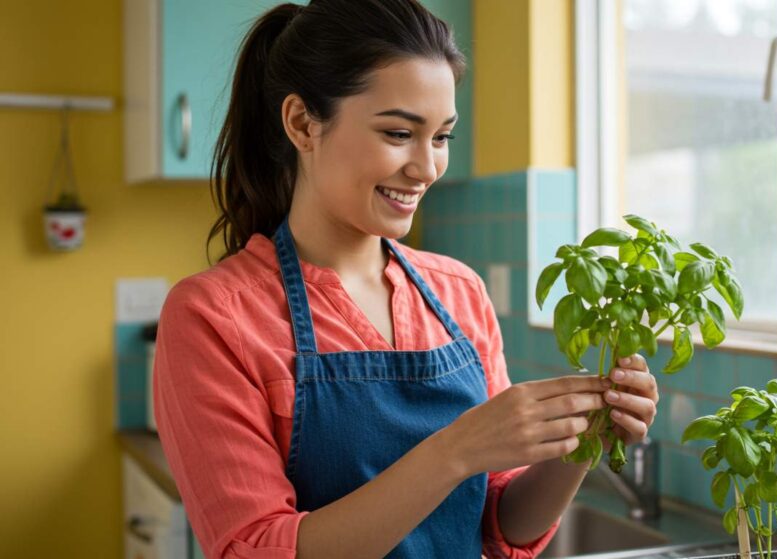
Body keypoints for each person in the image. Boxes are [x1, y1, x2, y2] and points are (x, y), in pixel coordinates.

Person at [152, 1, 660, 558]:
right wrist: (455, 451)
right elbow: (257, 548)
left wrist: (581, 442)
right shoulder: (214, 316)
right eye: (399, 133)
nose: (427, 167)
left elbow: (499, 526)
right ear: (301, 123)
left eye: (441, 137)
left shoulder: (457, 291)